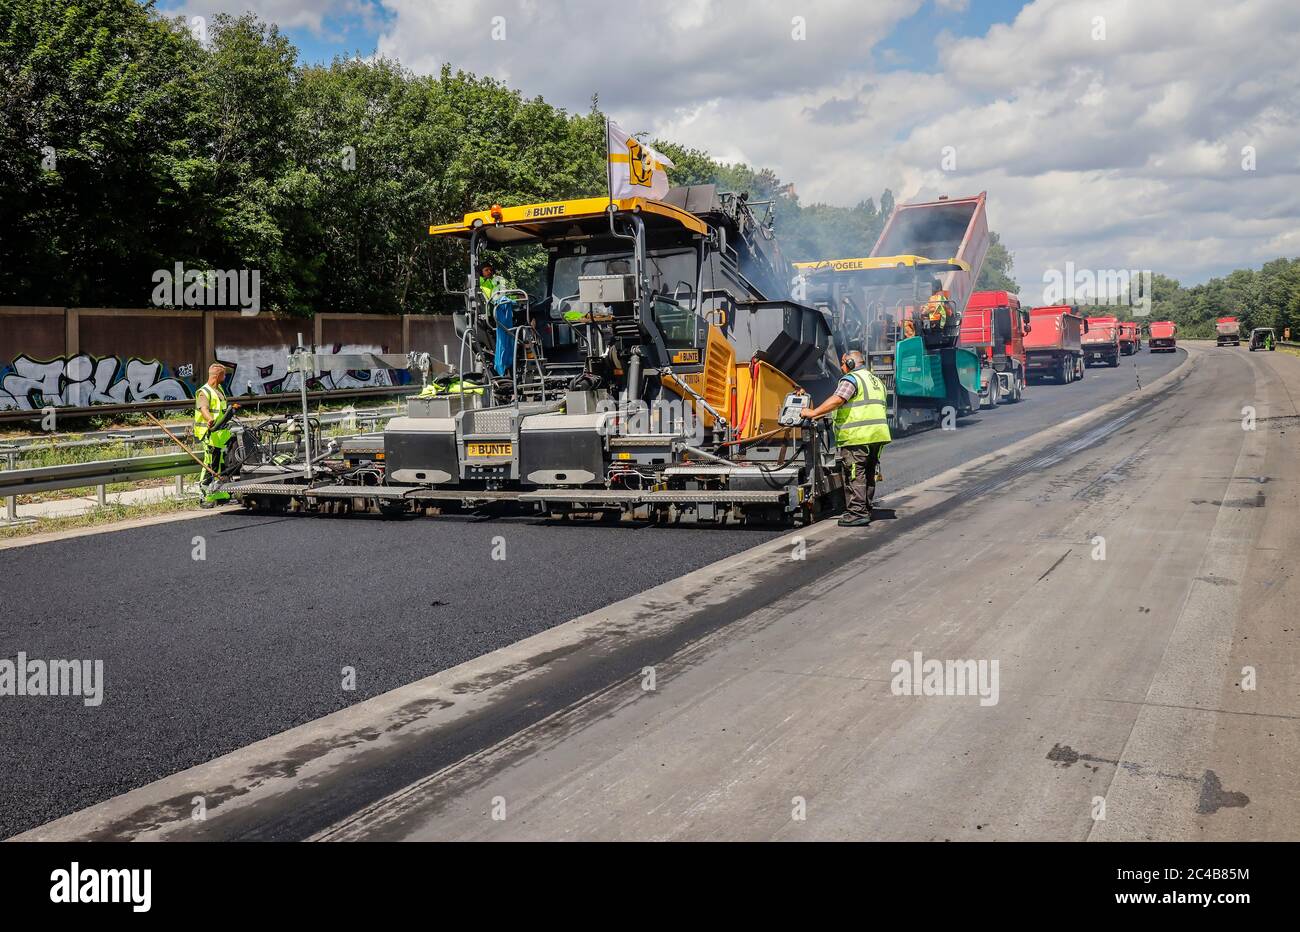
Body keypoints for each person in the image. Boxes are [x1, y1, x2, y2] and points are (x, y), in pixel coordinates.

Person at [802, 350, 892, 527]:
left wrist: (813, 413)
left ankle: (857, 513)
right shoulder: (875, 381)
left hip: (858, 435)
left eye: (843, 363)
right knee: (868, 473)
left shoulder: (851, 379)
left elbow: (838, 399)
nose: (842, 367)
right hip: (877, 435)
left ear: (851, 363)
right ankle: (865, 508)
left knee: (854, 473)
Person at [194, 363, 235, 506]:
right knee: (210, 465)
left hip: (222, 435)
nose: (225, 377)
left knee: (222, 465)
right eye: (224, 374)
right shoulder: (204, 392)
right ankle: (205, 496)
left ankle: (221, 493)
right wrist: (209, 419)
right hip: (210, 434)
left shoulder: (219, 390)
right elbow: (203, 408)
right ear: (218, 376)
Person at [478, 260, 516, 376]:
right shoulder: (479, 284)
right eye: (486, 270)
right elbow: (494, 298)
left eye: (490, 269)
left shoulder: (493, 282)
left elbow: (502, 294)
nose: (489, 272)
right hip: (491, 315)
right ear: (481, 272)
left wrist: (513, 298)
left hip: (497, 310)